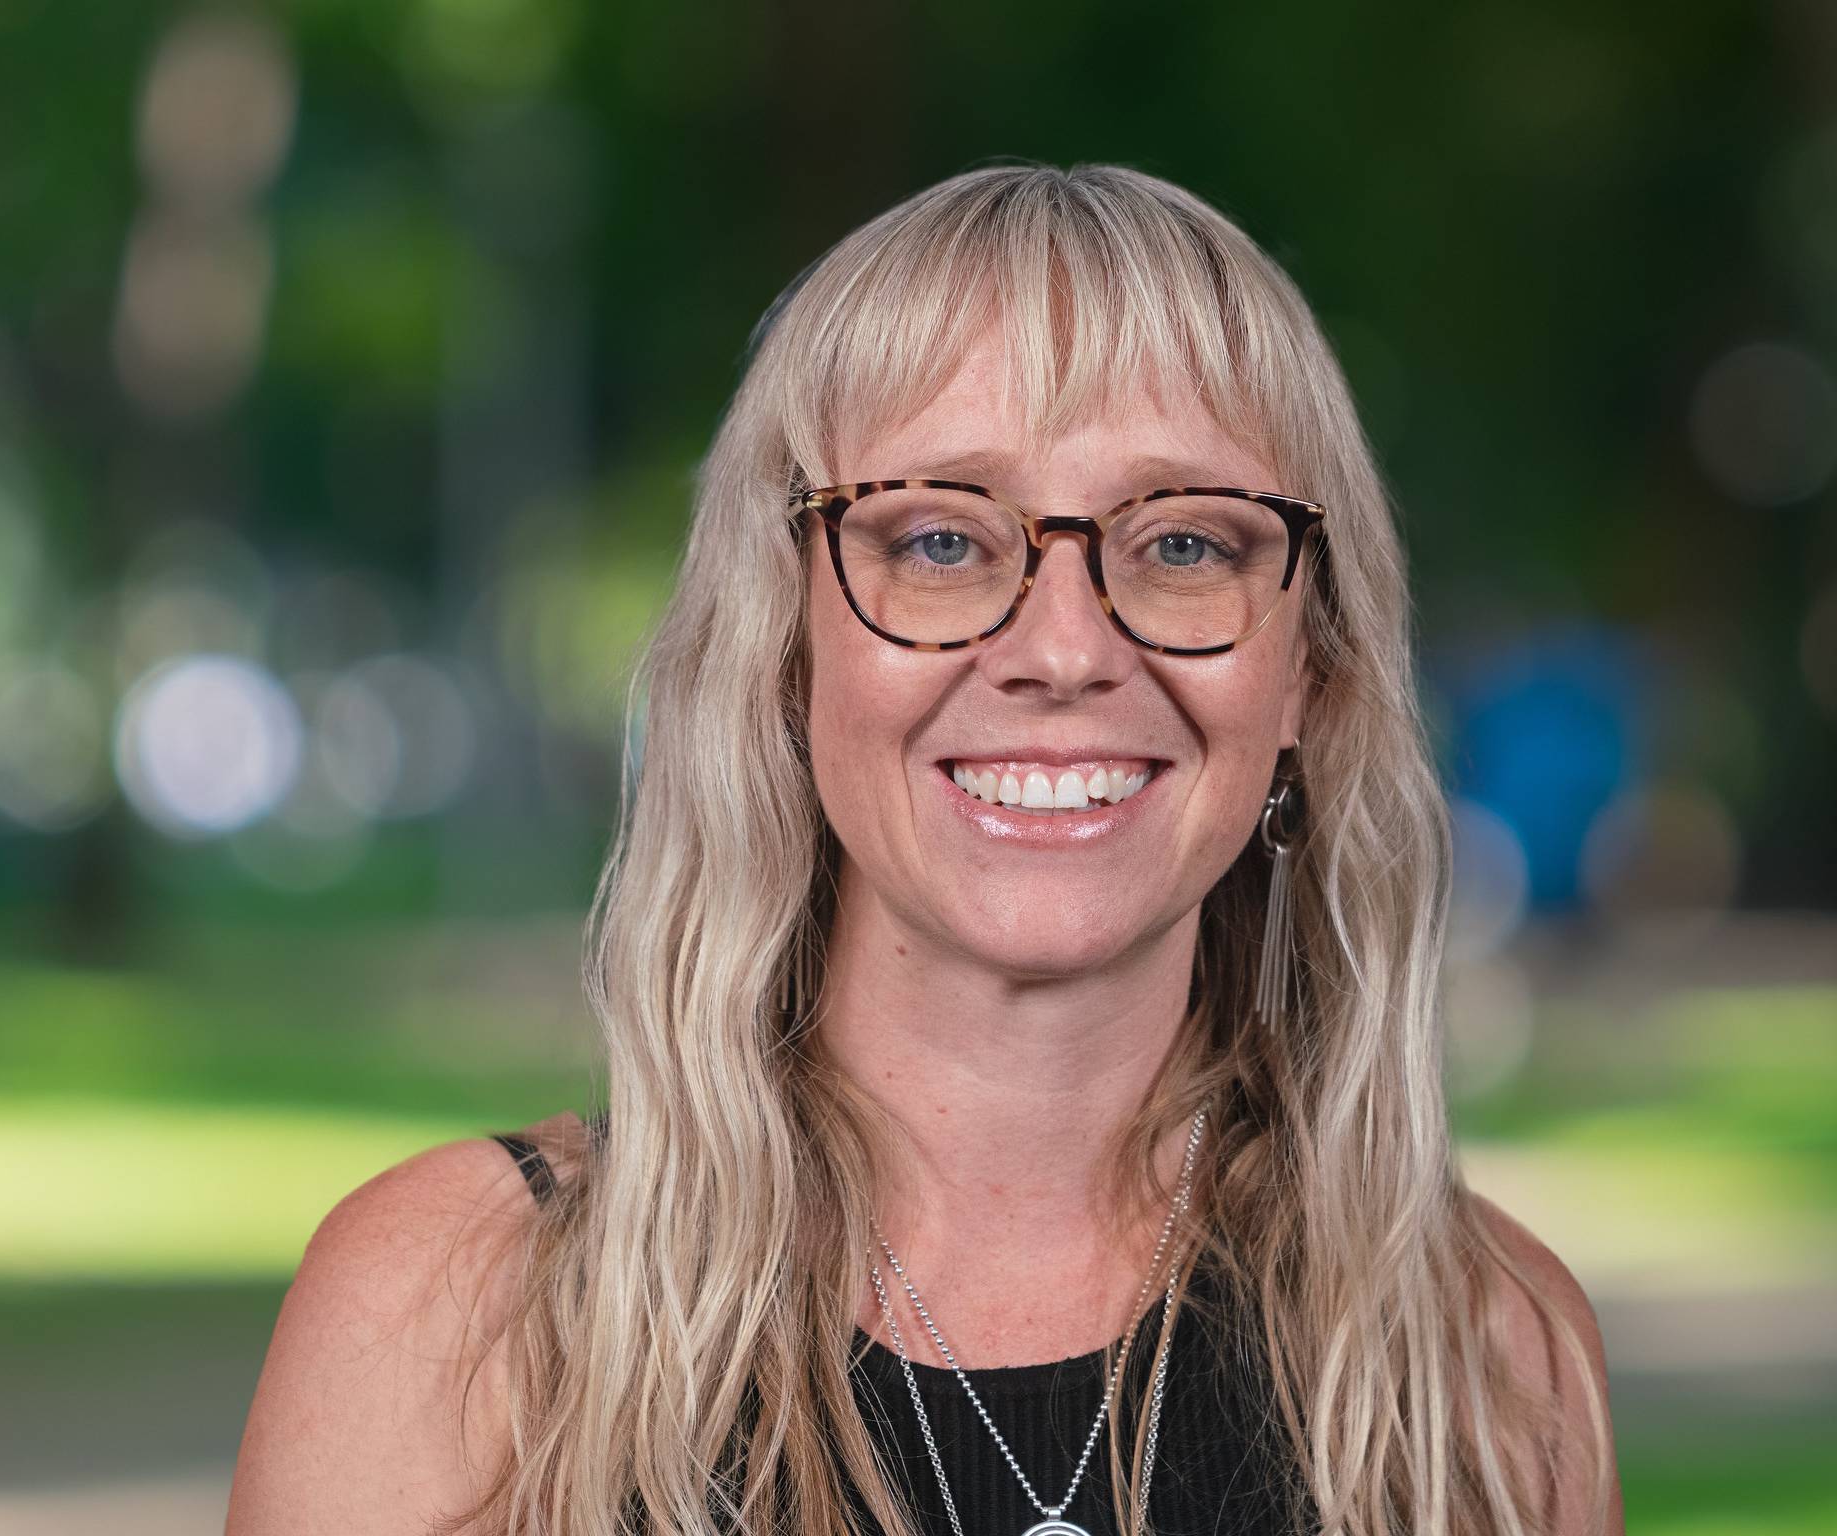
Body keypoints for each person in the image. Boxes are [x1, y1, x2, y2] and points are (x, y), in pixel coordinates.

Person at [226, 161, 1622, 1536]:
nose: (1066, 647)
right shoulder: (458, 1316)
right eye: (944, 540)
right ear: (783, 648)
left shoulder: (1489, 1363)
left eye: (1186, 545)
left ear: (1310, 670)